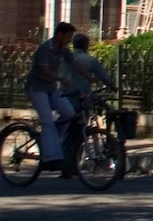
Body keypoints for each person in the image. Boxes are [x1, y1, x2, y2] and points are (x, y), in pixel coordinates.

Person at [23, 23, 78, 175]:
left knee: (69, 112)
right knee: (47, 122)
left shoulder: (63, 50)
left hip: (51, 88)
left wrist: (92, 77)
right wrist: (60, 78)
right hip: (37, 89)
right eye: (68, 36)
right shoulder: (44, 49)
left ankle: (51, 141)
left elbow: (75, 64)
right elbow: (45, 71)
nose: (69, 40)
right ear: (59, 35)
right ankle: (51, 158)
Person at [61, 28, 114, 165]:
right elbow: (105, 78)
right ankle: (71, 163)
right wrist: (113, 87)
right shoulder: (90, 60)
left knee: (66, 130)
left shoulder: (66, 59)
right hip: (80, 99)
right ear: (86, 45)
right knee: (78, 130)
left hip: (63, 98)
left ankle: (66, 162)